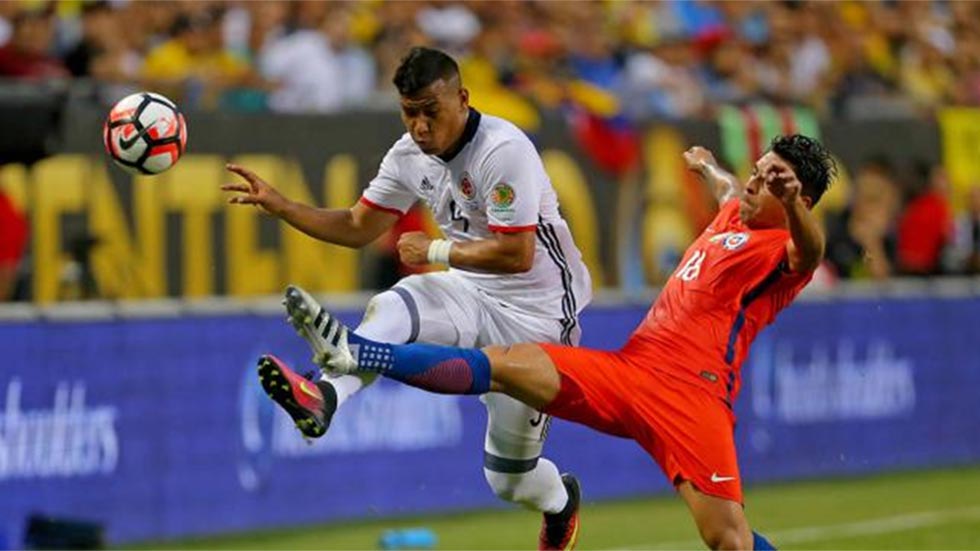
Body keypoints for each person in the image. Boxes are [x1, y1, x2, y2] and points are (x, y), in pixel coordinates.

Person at [290, 134, 835, 550]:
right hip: (632, 368)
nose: (758, 183)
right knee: (505, 365)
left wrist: (796, 210)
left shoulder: (784, 247)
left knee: (728, 541)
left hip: (691, 398)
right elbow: (729, 190)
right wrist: (708, 167)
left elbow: (808, 254)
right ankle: (356, 352)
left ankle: (355, 353)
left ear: (799, 198)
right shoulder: (735, 210)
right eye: (761, 172)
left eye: (776, 180)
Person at [223, 47, 592, 550]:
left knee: (509, 480)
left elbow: (517, 254)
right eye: (409, 112)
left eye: (430, 110)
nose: (420, 126)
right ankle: (326, 396)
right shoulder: (407, 156)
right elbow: (358, 226)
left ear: (461, 99)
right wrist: (283, 206)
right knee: (397, 302)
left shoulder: (502, 149)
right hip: (471, 292)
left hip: (540, 317)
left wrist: (437, 248)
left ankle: (560, 503)